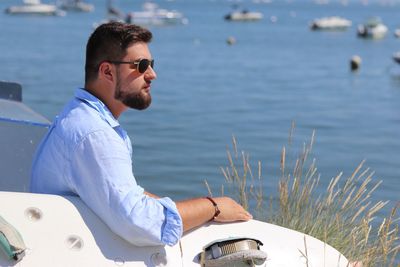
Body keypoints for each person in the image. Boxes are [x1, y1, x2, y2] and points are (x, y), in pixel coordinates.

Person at [30, 22, 252, 247]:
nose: (152, 74)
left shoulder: (79, 115)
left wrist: (178, 209)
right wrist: (212, 206)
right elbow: (138, 223)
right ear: (107, 71)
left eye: (151, 64)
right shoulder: (95, 134)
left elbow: (126, 195)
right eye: (141, 65)